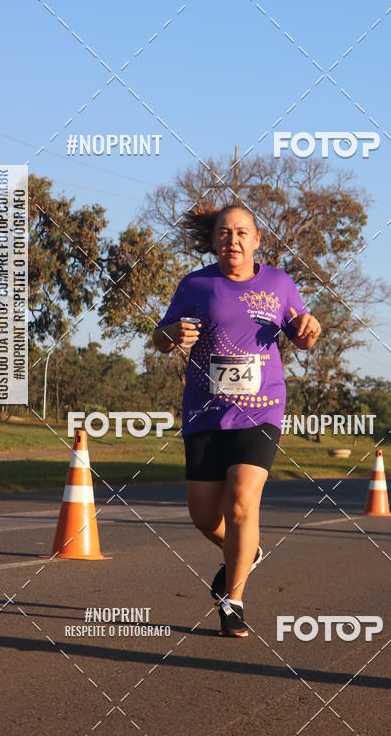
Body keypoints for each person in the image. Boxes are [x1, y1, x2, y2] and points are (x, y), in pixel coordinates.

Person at [152, 203, 321, 636]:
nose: (234, 241)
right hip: (204, 412)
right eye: (225, 233)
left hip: (261, 409)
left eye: (242, 232)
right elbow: (161, 337)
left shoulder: (279, 283)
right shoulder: (195, 285)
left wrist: (307, 330)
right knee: (205, 517)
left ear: (257, 239)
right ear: (213, 240)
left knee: (243, 499)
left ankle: (234, 601)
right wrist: (170, 336)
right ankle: (247, 551)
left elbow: (301, 330)